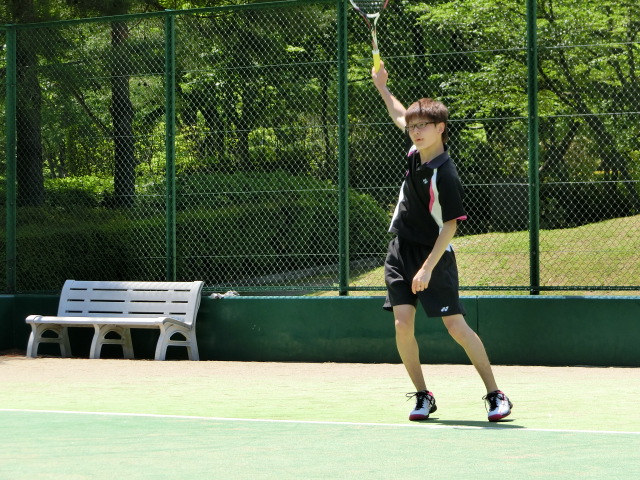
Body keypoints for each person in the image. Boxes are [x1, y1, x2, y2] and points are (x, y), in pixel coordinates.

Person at [372, 61, 512, 422]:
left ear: (440, 128)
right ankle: (423, 396)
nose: (415, 131)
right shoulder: (414, 153)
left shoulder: (444, 174)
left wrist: (427, 268)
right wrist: (382, 86)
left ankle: (495, 394)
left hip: (434, 254)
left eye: (423, 126)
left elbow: (450, 226)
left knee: (456, 327)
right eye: (413, 127)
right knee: (402, 324)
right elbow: (399, 114)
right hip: (400, 249)